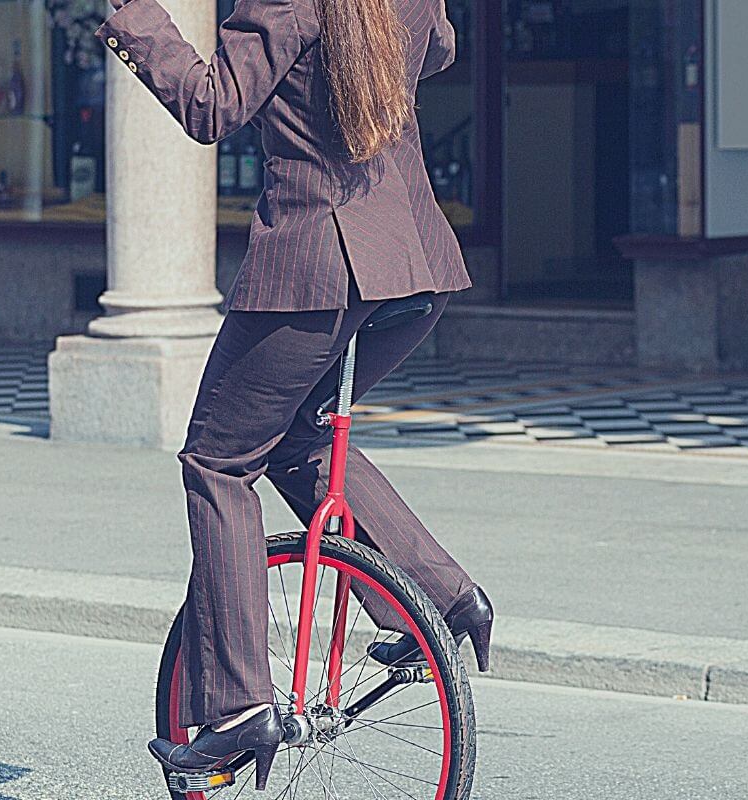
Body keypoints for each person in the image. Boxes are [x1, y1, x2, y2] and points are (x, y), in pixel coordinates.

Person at [95, 0, 493, 782]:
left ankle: (239, 705)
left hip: (317, 269)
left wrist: (136, 17)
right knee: (297, 438)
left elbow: (213, 106)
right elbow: (439, 47)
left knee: (218, 460)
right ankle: (440, 601)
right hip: (411, 265)